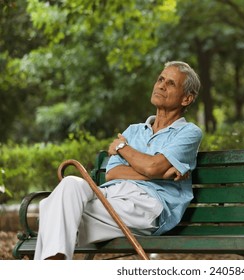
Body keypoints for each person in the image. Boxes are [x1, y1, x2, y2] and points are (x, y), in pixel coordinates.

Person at [34, 61, 202, 260]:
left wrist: (124, 148)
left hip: (148, 206)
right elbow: (113, 173)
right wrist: (159, 172)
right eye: (160, 79)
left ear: (186, 99)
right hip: (111, 195)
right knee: (70, 184)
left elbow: (153, 166)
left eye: (171, 83)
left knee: (52, 212)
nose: (161, 85)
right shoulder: (133, 130)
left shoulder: (189, 132)